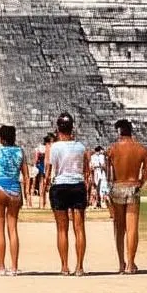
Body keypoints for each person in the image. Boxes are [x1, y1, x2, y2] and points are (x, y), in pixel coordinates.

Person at [45, 112, 90, 276]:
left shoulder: (54, 147)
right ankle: (79, 266)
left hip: (60, 185)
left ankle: (64, 266)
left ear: (58, 128)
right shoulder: (81, 147)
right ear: (72, 127)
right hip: (77, 185)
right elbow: (85, 170)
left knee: (62, 229)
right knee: (79, 228)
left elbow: (52, 168)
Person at [106, 118, 147, 274]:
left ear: (119, 132)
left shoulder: (112, 150)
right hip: (132, 187)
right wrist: (141, 182)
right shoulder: (141, 150)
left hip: (117, 187)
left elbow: (108, 173)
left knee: (119, 228)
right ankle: (130, 264)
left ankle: (121, 263)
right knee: (132, 228)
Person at [0, 124, 28, 275]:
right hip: (15, 189)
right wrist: (27, 195)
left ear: (1, 137)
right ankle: (14, 267)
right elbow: (26, 174)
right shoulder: (20, 151)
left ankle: (1, 267)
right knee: (13, 228)